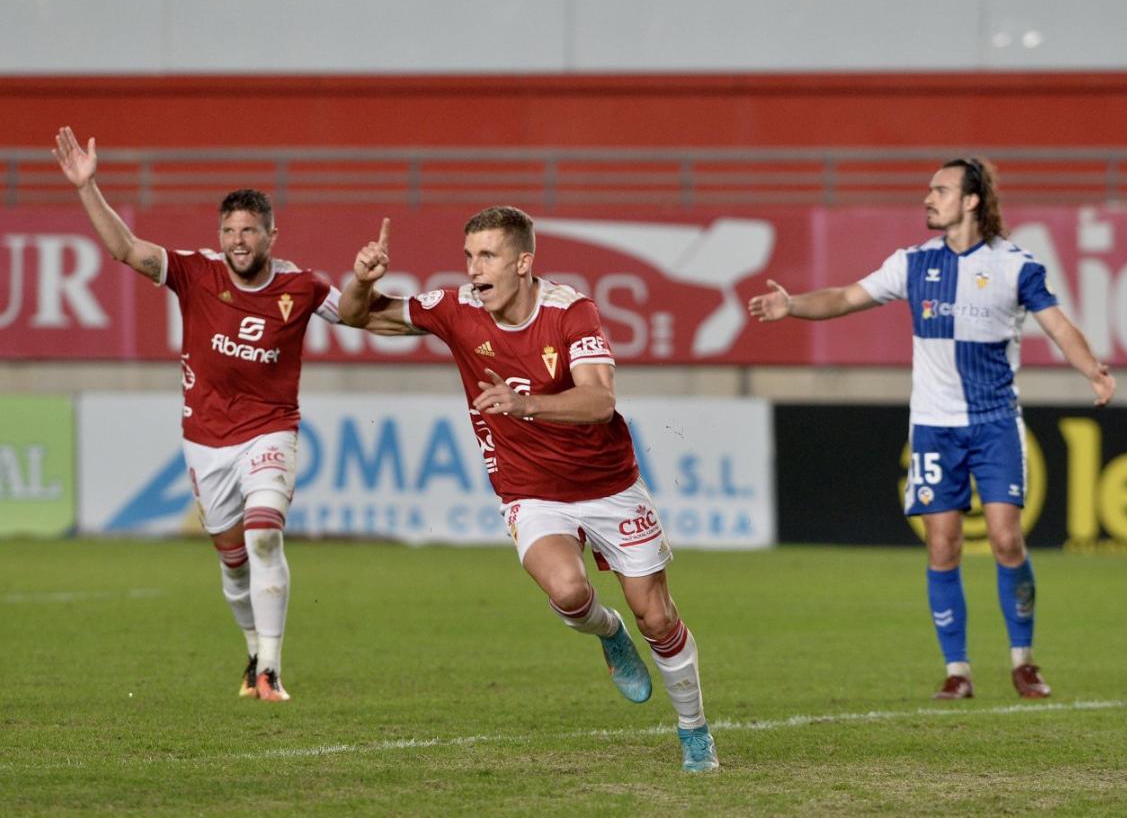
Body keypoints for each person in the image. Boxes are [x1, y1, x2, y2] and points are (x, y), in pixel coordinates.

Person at [338, 206, 719, 772]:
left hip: (609, 485)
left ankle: (695, 731)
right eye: (468, 256)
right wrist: (362, 282)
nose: (473, 269)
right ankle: (608, 633)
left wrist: (526, 404)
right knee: (568, 592)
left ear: (523, 262)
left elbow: (600, 401)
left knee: (658, 618)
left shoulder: (571, 312)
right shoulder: (457, 309)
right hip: (529, 489)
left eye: (486, 256)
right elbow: (358, 318)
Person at [748, 158, 1115, 700]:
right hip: (934, 428)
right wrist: (793, 305)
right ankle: (958, 670)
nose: (928, 198)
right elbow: (848, 296)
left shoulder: (1015, 266)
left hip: (994, 425)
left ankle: (1024, 660)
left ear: (971, 201)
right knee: (942, 547)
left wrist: (1092, 370)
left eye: (940, 190)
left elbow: (1058, 325)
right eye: (928, 190)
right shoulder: (912, 264)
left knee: (1006, 538)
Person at [53, 126, 341, 702]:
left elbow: (361, 313)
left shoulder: (302, 286)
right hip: (205, 439)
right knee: (233, 558)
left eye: (249, 231)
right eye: (230, 230)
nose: (238, 240)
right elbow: (126, 250)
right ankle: (254, 650)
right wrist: (88, 188)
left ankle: (271, 670)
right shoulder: (194, 271)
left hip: (270, 429)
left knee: (263, 538)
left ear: (270, 234)